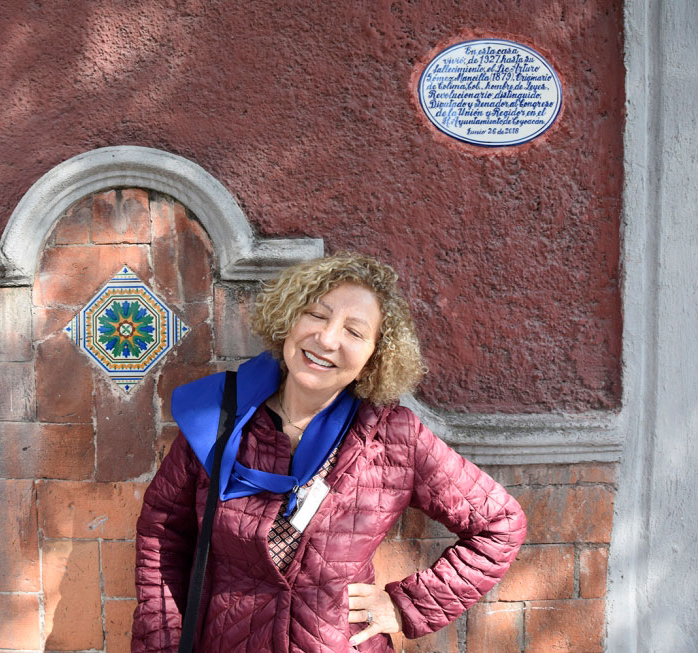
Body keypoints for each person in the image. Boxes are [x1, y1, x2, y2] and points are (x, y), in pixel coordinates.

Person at [132, 253, 526, 652]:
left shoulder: (393, 436)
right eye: (316, 315)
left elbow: (501, 524)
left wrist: (405, 605)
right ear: (289, 320)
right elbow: (162, 535)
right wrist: (160, 644)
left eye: (354, 332)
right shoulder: (218, 416)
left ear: (374, 357)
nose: (327, 339)